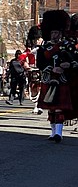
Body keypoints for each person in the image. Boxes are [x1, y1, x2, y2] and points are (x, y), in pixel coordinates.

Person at [36, 10, 76, 143]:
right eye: (52, 33)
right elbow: (40, 63)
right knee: (51, 109)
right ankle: (53, 133)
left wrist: (67, 65)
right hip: (48, 78)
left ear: (61, 33)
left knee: (59, 107)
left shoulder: (68, 46)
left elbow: (75, 62)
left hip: (62, 80)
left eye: (57, 33)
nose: (54, 35)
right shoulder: (44, 47)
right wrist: (50, 68)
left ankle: (59, 133)